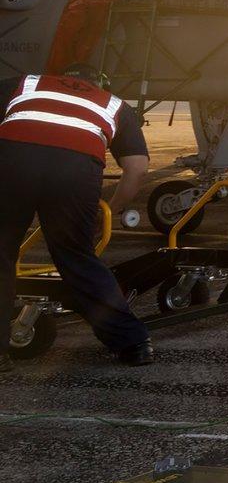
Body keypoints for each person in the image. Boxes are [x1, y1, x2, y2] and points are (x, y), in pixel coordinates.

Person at [0, 64, 154, 367]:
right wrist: (109, 210)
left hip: (13, 160)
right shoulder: (114, 104)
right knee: (76, 257)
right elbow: (137, 169)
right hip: (75, 170)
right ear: (99, 84)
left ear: (60, 77)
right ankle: (134, 344)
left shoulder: (27, 83)